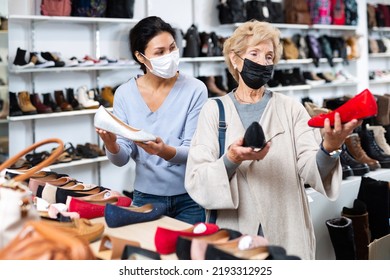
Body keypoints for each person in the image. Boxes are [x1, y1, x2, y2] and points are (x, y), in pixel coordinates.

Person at [184, 20, 362, 259]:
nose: (263, 62)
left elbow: (310, 167)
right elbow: (197, 179)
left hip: (287, 228)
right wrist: (231, 158)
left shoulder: (291, 109)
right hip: (235, 231)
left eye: (269, 56)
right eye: (254, 53)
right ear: (236, 60)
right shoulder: (214, 111)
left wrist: (330, 147)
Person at [96, 16, 208, 225]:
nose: (170, 56)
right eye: (160, 52)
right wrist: (110, 144)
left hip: (190, 200)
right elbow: (121, 158)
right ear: (140, 57)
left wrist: (163, 151)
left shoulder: (196, 89)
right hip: (145, 198)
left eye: (172, 48)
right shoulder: (124, 94)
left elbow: (193, 151)